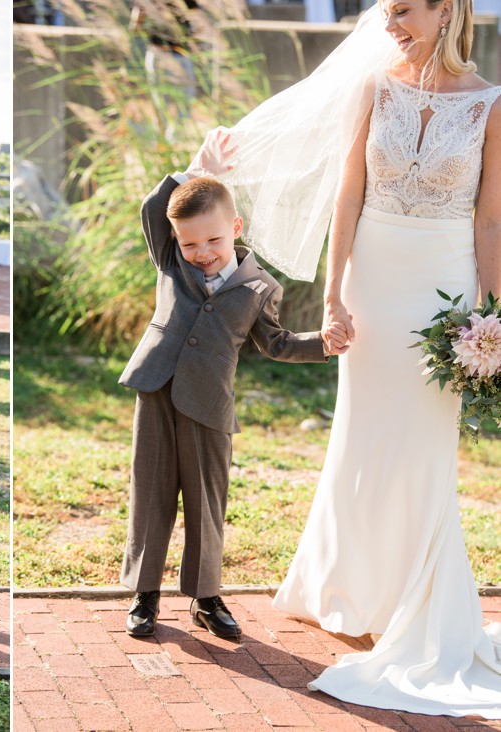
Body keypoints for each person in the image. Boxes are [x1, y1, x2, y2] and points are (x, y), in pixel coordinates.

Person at [266, 0, 501, 716]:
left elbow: (489, 217)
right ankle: (351, 587)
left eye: (402, 9)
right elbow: (348, 195)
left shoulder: (492, 103)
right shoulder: (373, 85)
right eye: (386, 9)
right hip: (373, 275)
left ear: (445, 9)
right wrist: (333, 295)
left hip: (445, 289)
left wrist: (491, 317)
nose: (389, 22)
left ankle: (416, 599)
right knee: (363, 434)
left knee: (426, 444)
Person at [118, 145, 347, 640]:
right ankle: (145, 594)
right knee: (151, 493)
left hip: (209, 403)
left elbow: (277, 342)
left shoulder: (260, 286)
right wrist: (198, 173)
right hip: (156, 389)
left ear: (237, 228)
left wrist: (323, 343)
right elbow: (153, 208)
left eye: (213, 241)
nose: (201, 254)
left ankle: (205, 598)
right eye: (189, 245)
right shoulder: (170, 261)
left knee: (206, 500)